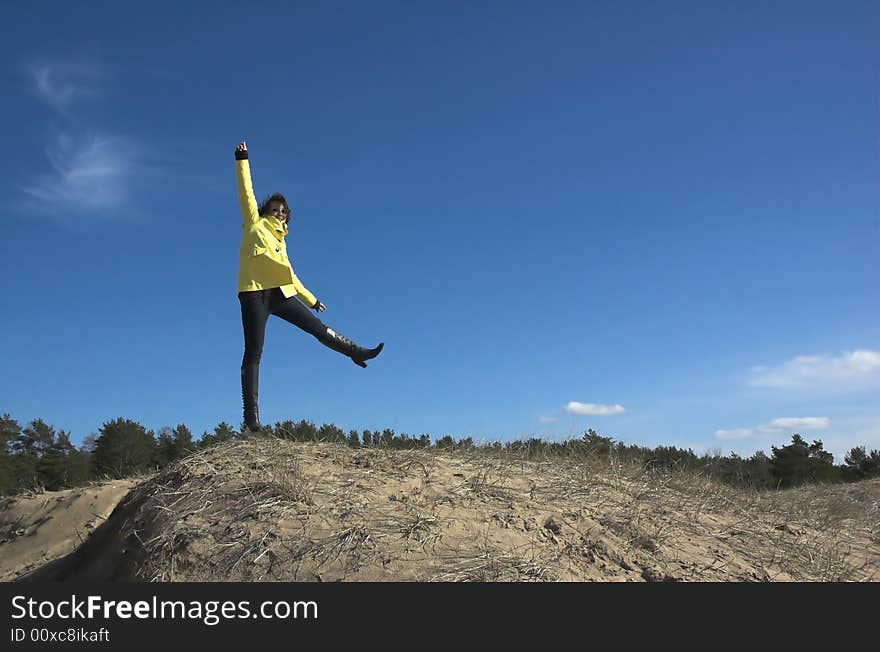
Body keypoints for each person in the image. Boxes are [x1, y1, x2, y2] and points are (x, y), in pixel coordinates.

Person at [234, 141, 383, 431]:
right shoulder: (254, 223)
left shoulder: (281, 241)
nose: (278, 213)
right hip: (253, 293)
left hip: (280, 293)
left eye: (283, 211)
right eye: (274, 209)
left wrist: (312, 300)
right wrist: (242, 159)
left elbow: (290, 275)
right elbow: (245, 192)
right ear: (266, 210)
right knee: (254, 352)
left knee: (316, 327)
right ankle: (251, 420)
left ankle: (355, 351)